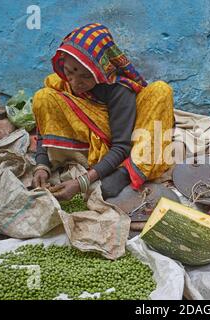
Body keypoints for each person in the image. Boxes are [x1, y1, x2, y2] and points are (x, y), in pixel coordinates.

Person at [32, 23, 175, 201]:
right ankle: (88, 162)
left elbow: (122, 146)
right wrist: (41, 165)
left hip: (123, 142)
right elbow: (44, 126)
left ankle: (125, 172)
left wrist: (82, 182)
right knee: (43, 96)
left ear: (100, 71)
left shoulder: (119, 89)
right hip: (91, 145)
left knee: (161, 91)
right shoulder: (62, 83)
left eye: (85, 76)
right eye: (69, 72)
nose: (76, 82)